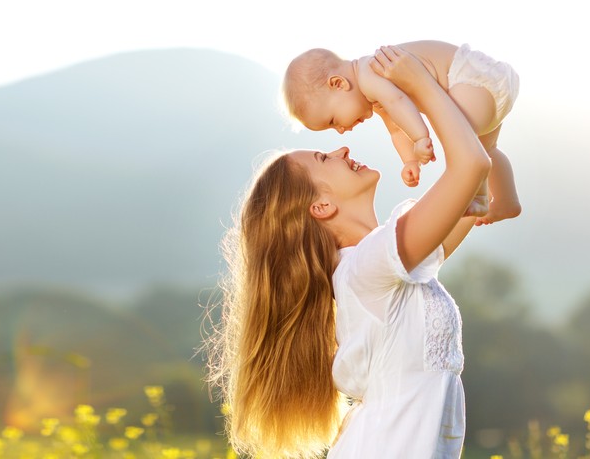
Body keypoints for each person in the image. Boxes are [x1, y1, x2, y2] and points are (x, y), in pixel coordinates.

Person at [205, 46, 491, 458]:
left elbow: (482, 189)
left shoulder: (380, 261)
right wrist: (419, 85)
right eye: (324, 157)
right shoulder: (368, 266)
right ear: (320, 207)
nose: (340, 149)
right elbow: (470, 166)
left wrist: (478, 91)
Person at [283, 40, 521, 226]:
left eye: (333, 121)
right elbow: (396, 130)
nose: (341, 131)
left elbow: (398, 101)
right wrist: (409, 160)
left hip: (470, 79)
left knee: (458, 136)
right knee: (486, 149)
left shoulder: (369, 71)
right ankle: (507, 200)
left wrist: (420, 137)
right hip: (483, 87)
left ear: (338, 84)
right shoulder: (373, 94)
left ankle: (478, 196)